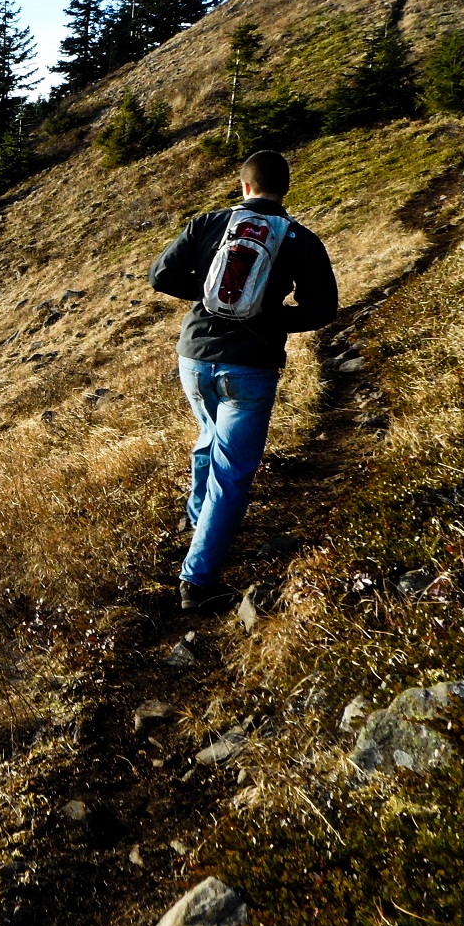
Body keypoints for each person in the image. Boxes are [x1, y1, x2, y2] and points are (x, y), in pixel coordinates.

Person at [148, 150, 338, 611]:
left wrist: (209, 296)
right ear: (284, 190)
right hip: (250, 367)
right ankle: (198, 581)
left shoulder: (208, 223)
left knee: (207, 439)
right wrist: (267, 319)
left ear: (244, 187)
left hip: (193, 358)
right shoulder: (298, 239)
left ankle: (196, 527)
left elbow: (160, 275)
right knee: (231, 473)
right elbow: (321, 310)